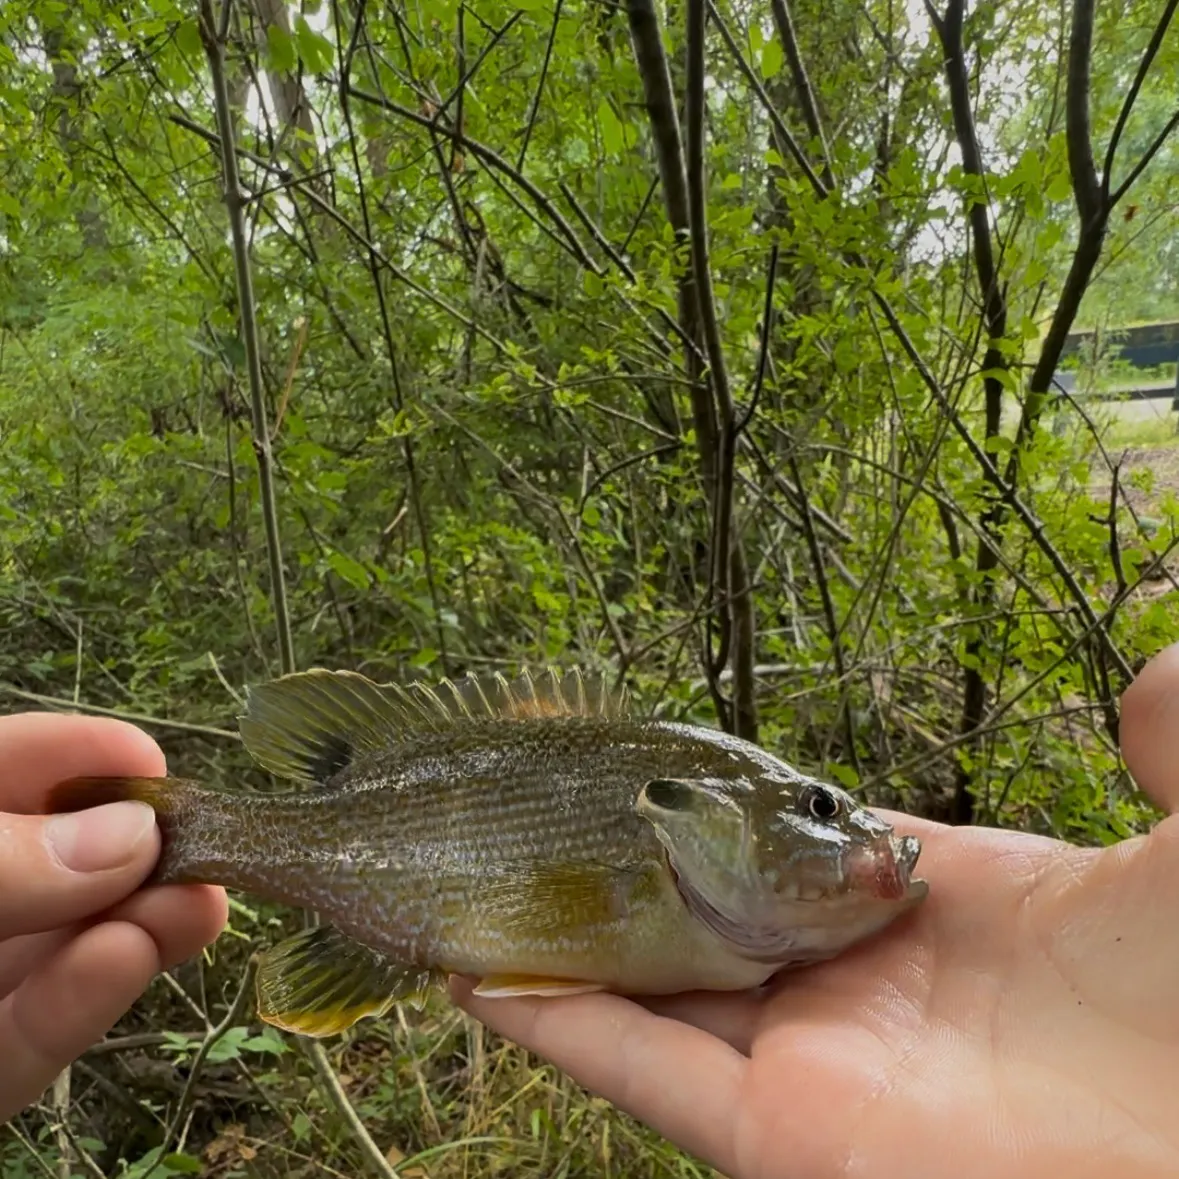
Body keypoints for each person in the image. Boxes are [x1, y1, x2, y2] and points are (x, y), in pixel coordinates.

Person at [3, 645, 1179, 1178]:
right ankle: (186, 835)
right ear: (689, 814)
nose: (866, 836)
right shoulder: (657, 823)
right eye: (823, 809)